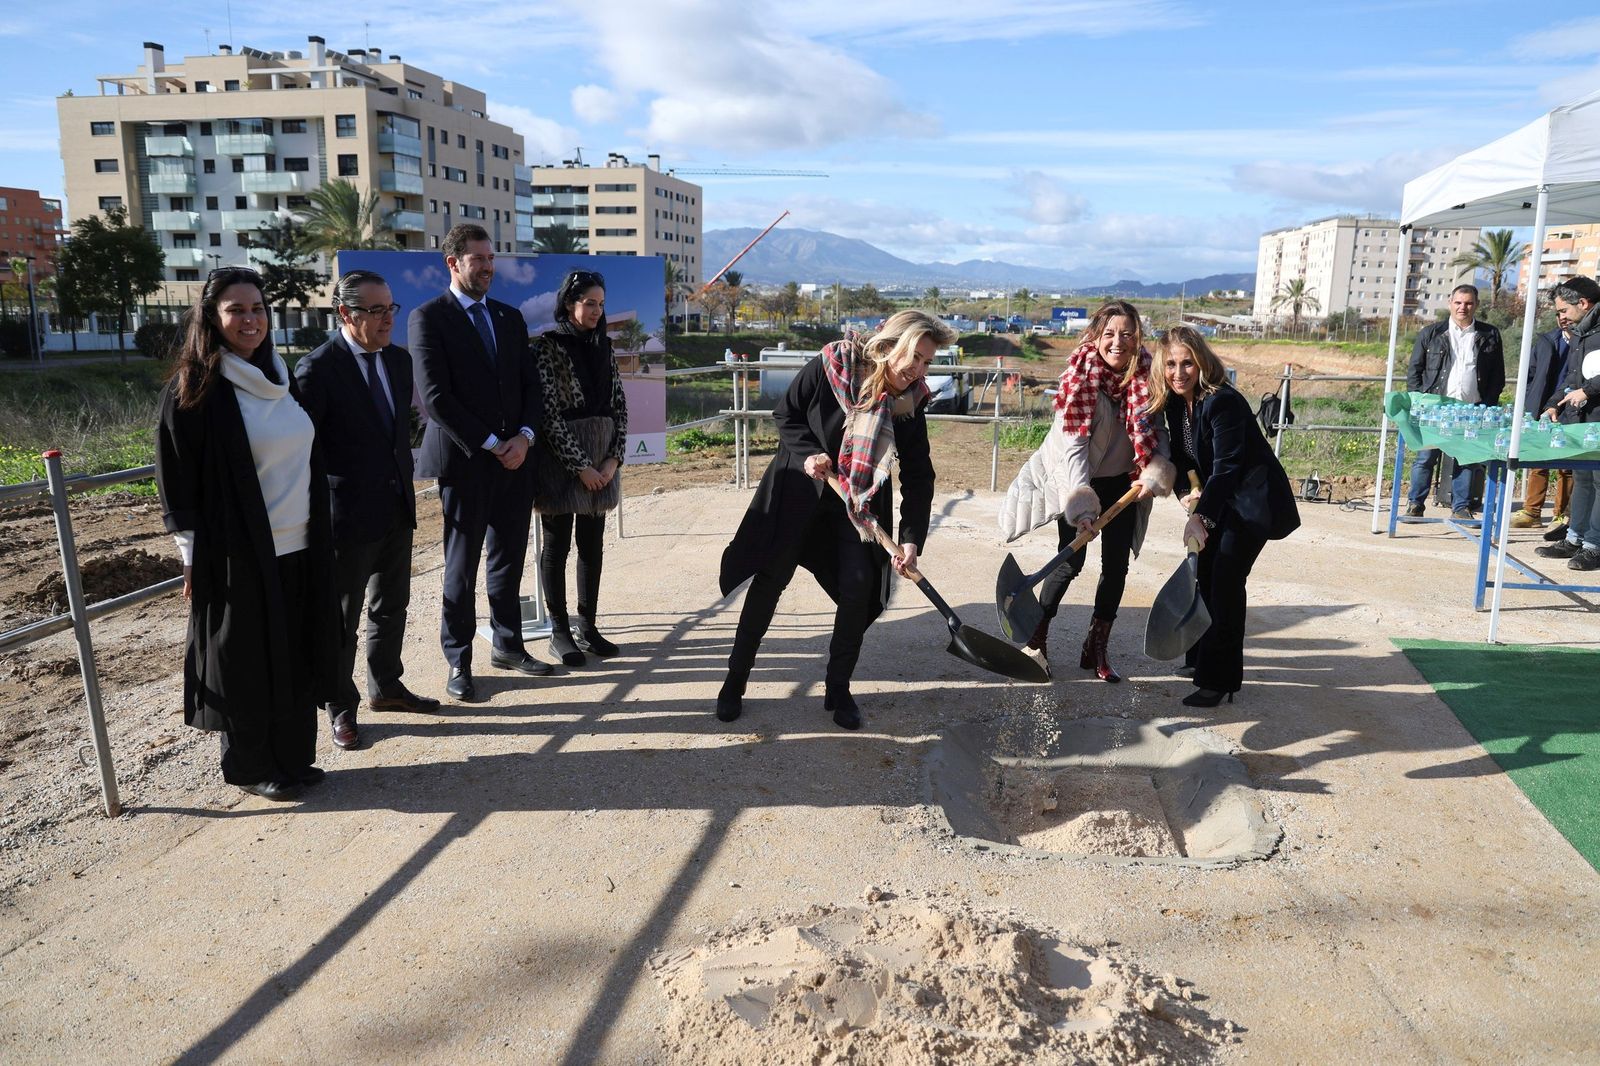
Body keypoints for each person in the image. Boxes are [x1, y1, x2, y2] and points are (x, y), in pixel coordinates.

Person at [716, 310, 955, 730]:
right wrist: (809, 452)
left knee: (858, 590)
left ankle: (838, 688)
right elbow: (785, 414)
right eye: (914, 357)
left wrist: (912, 538)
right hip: (798, 493)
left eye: (927, 362)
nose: (918, 370)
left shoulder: (910, 402)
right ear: (889, 347)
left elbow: (919, 476)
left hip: (856, 506)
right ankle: (734, 681)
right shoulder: (833, 364)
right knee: (769, 582)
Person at [155, 267, 338, 801]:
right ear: (212, 318)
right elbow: (177, 480)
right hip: (240, 551)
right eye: (237, 310)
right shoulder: (195, 391)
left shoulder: (281, 378)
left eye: (257, 308)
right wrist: (190, 554)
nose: (250, 319)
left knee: (297, 651)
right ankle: (252, 765)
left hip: (301, 542)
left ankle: (294, 758)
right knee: (249, 660)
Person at [294, 270, 439, 751]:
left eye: (390, 308)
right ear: (345, 314)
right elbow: (304, 454)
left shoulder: (399, 362)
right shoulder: (317, 370)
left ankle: (387, 687)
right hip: (345, 518)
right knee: (342, 619)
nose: (386, 319)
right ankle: (340, 706)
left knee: (391, 606)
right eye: (375, 311)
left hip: (396, 507)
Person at [1001, 300, 1175, 682]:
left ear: (1137, 337)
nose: (1118, 342)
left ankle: (1095, 647)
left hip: (1125, 484)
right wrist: (1081, 508)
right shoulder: (1079, 378)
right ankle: (1036, 639)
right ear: (1097, 336)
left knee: (1116, 567)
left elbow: (1159, 430)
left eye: (1127, 334)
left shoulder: (1148, 376)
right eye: (1110, 334)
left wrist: (1154, 469)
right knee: (1070, 561)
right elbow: (1073, 447)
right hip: (1078, 481)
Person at [410, 223, 549, 702]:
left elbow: (532, 387)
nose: (488, 267)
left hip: (516, 461)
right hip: (467, 462)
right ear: (453, 263)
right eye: (478, 259)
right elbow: (436, 399)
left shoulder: (510, 318)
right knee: (461, 567)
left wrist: (525, 439)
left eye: (491, 259)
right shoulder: (428, 318)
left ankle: (509, 645)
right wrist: (495, 443)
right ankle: (459, 662)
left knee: (508, 558)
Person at [1151, 326, 1300, 707]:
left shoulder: (1222, 402)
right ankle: (1200, 658)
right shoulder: (1174, 403)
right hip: (1221, 497)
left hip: (1252, 502)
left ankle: (1220, 681)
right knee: (1204, 573)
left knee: (1226, 580)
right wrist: (1188, 494)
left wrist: (1202, 518)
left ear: (1202, 362)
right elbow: (1186, 460)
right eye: (1171, 364)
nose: (1179, 372)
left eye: (1187, 363)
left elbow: (1228, 467)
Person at [531, 269, 628, 665]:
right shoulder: (547, 347)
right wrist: (580, 466)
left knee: (592, 545)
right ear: (570, 303)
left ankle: (588, 627)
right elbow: (548, 415)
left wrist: (612, 459)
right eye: (590, 303)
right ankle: (559, 630)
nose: (596, 310)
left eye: (601, 304)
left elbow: (620, 406)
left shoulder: (604, 346)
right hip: (561, 463)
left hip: (602, 460)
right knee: (556, 545)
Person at [1404, 284, 1505, 520]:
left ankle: (1461, 508)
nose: (1463, 307)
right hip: (1434, 408)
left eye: (1468, 303)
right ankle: (1415, 504)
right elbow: (1414, 372)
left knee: (1466, 459)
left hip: (1471, 409)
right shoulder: (1431, 333)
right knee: (1425, 458)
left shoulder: (1490, 335)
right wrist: (1420, 400)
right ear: (1450, 303)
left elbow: (1497, 376)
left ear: (1476, 305)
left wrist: (1487, 405)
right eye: (1458, 302)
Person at [1535, 277, 1600, 571]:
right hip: (1580, 423)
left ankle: (1595, 546)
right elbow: (1572, 379)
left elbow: (1586, 384)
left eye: (1564, 310)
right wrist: (1553, 403)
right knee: (1583, 479)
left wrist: (1589, 391)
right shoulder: (1578, 334)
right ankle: (1576, 538)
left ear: (1583, 304)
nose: (1560, 316)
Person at [1509, 322, 1573, 533]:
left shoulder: (1585, 341)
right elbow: (1530, 374)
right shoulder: (1547, 340)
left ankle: (1562, 514)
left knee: (1568, 466)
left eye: (1565, 311)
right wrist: (1530, 399)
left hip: (1570, 407)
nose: (1563, 317)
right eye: (1559, 313)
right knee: (1538, 462)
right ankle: (1532, 511)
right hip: (1542, 408)